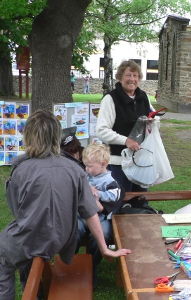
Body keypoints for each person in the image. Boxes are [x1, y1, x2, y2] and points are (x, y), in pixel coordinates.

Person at [0, 109, 131, 300]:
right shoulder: (75, 169)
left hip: (33, 237)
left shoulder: (20, 169)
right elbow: (90, 211)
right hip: (61, 239)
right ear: (56, 137)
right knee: (24, 253)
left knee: (5, 255)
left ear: (28, 136)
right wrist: (103, 247)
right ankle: (35, 292)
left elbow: (16, 209)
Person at [96, 59, 157, 192]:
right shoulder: (111, 99)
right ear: (120, 78)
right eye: (128, 75)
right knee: (119, 204)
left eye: (135, 76)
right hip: (118, 163)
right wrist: (126, 141)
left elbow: (153, 116)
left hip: (141, 160)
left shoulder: (143, 97)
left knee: (140, 204)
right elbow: (101, 130)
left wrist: (153, 122)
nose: (132, 79)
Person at [78, 142, 123, 288]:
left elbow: (114, 196)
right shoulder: (85, 175)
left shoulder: (110, 181)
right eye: (85, 165)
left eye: (90, 166)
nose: (86, 169)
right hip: (81, 216)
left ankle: (92, 264)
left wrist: (98, 194)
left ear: (103, 164)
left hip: (100, 217)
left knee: (104, 233)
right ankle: (72, 263)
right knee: (72, 230)